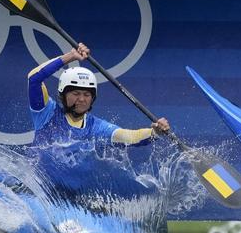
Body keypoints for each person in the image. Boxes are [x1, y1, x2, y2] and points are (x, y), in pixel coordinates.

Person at [27, 43, 170, 195]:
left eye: (87, 95)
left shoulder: (96, 127)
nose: (82, 99)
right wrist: (70, 57)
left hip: (70, 200)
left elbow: (129, 136)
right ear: (63, 94)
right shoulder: (46, 113)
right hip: (39, 194)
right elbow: (34, 78)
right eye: (76, 93)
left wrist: (154, 132)